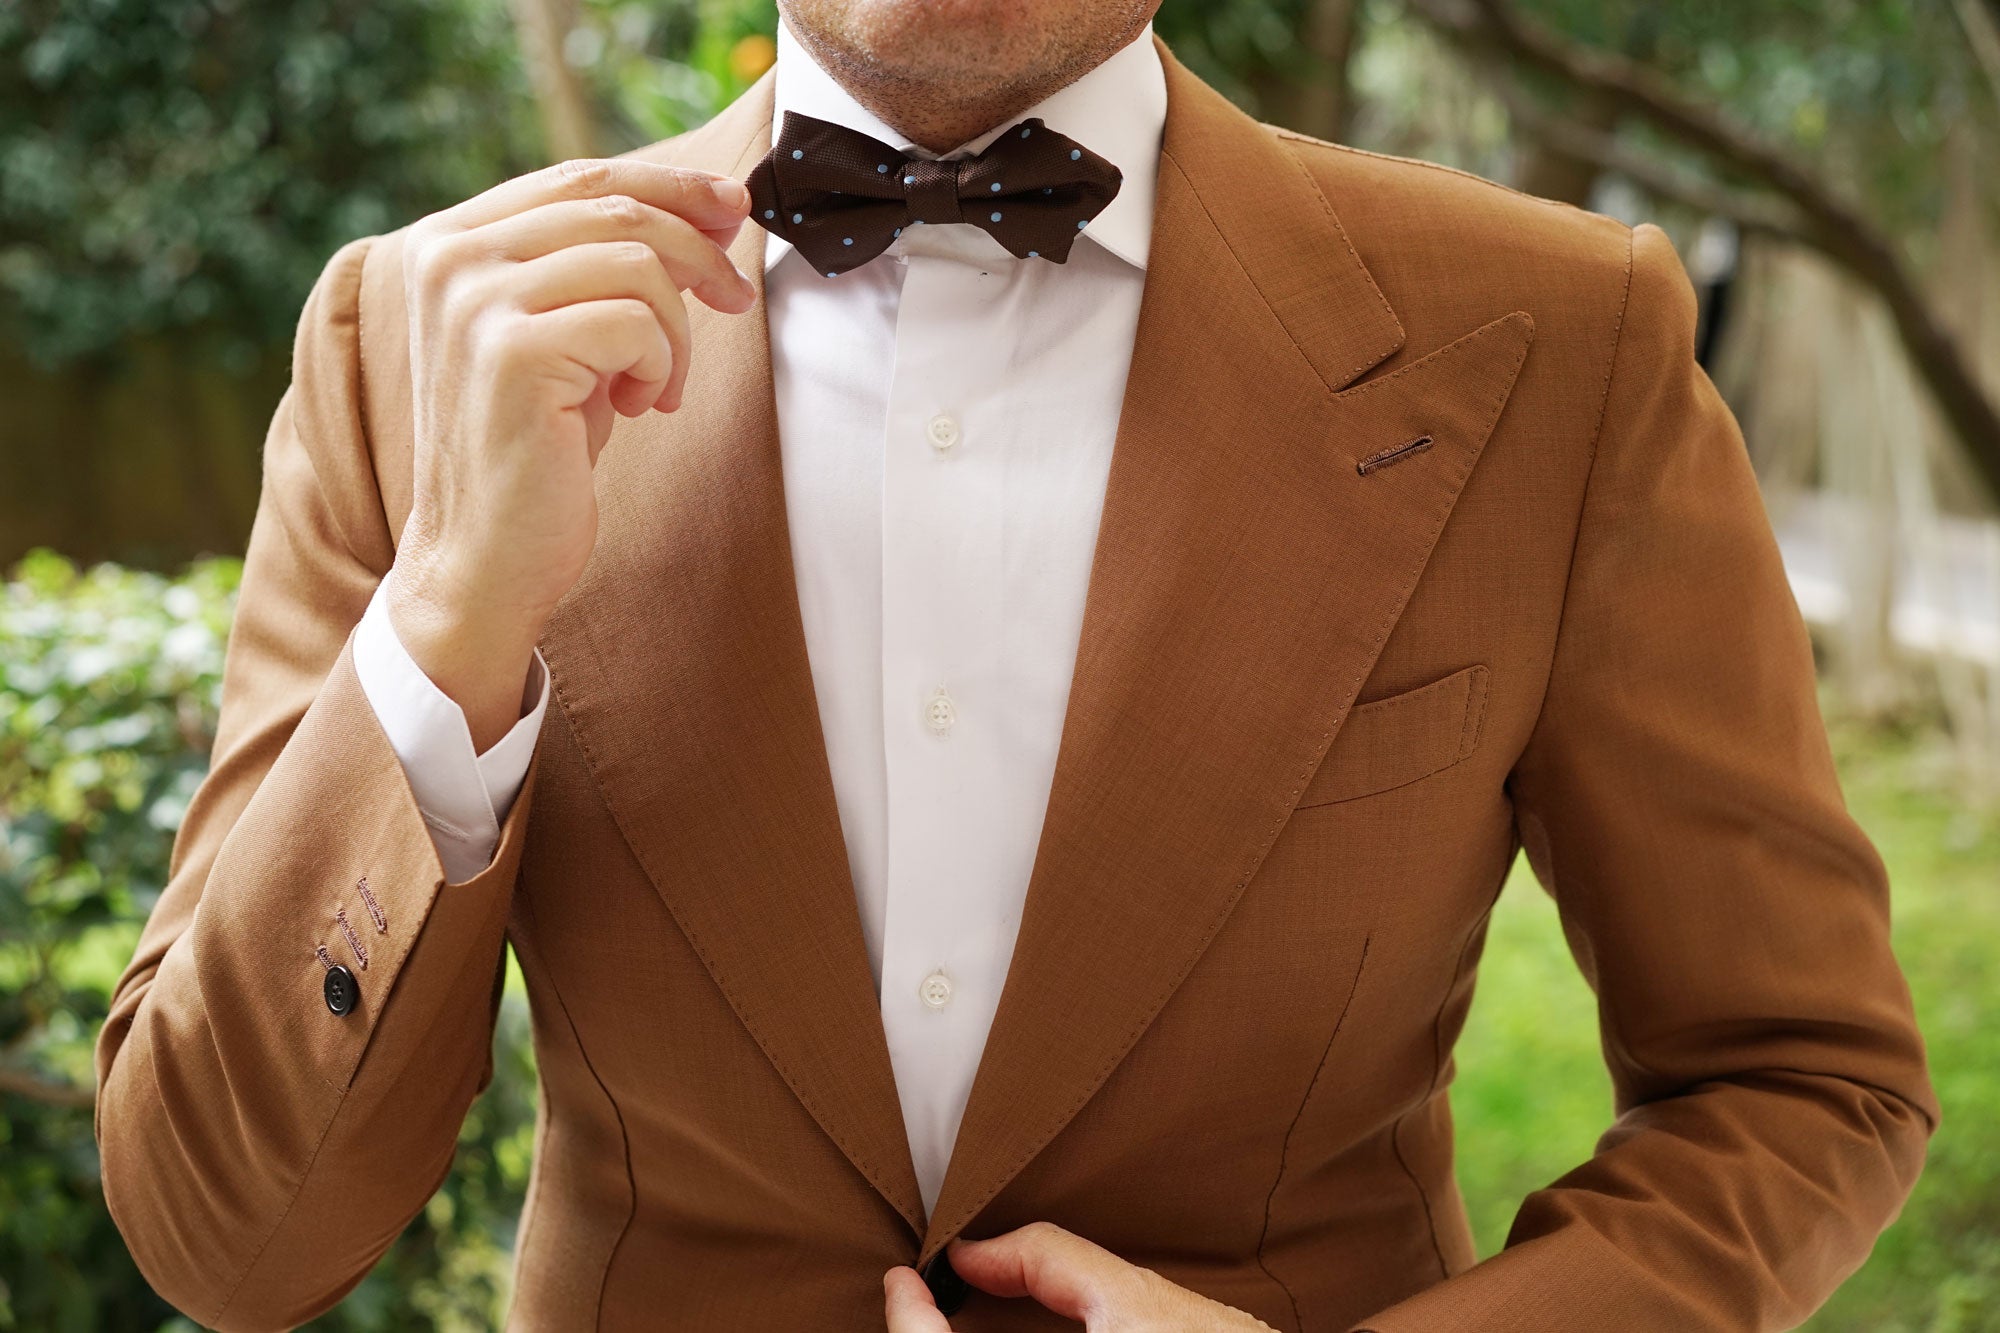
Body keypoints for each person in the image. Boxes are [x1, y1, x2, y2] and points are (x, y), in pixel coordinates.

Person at [94, 0, 1938, 1328]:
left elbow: (1800, 1082)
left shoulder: (1562, 342)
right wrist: (448, 617)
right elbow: (225, 1239)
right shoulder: (410, 340)